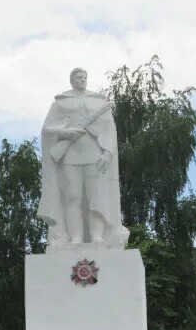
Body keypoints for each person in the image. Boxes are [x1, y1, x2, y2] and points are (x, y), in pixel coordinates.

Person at [38, 68, 129, 249]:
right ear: (72, 81)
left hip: (95, 155)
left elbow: (110, 130)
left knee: (96, 197)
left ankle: (97, 236)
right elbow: (46, 129)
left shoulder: (98, 103)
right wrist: (64, 132)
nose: (82, 80)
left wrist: (108, 153)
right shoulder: (61, 103)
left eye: (84, 77)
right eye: (78, 77)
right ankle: (75, 238)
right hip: (69, 156)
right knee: (73, 197)